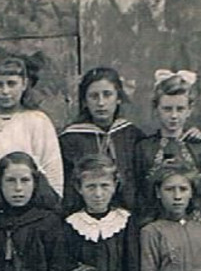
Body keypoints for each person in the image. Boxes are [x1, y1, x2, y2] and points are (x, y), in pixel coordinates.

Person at [0, 49, 63, 202]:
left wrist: (53, 203)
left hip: (29, 201)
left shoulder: (37, 120)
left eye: (11, 84)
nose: (5, 91)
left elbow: (52, 167)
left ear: (24, 84)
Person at [60, 155, 138, 271]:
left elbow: (132, 270)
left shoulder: (125, 221)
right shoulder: (71, 224)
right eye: (90, 187)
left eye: (104, 186)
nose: (98, 194)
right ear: (79, 188)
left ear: (115, 186)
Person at [131, 71, 201, 219]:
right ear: (156, 109)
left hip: (194, 223)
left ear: (189, 110)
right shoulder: (144, 148)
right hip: (153, 222)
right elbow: (140, 193)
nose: (174, 116)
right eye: (167, 109)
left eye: (180, 109)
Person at [59, 67, 144, 214]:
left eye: (107, 95)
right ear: (85, 101)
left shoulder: (132, 135)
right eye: (94, 96)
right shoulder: (70, 139)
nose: (101, 103)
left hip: (128, 215)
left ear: (118, 98)